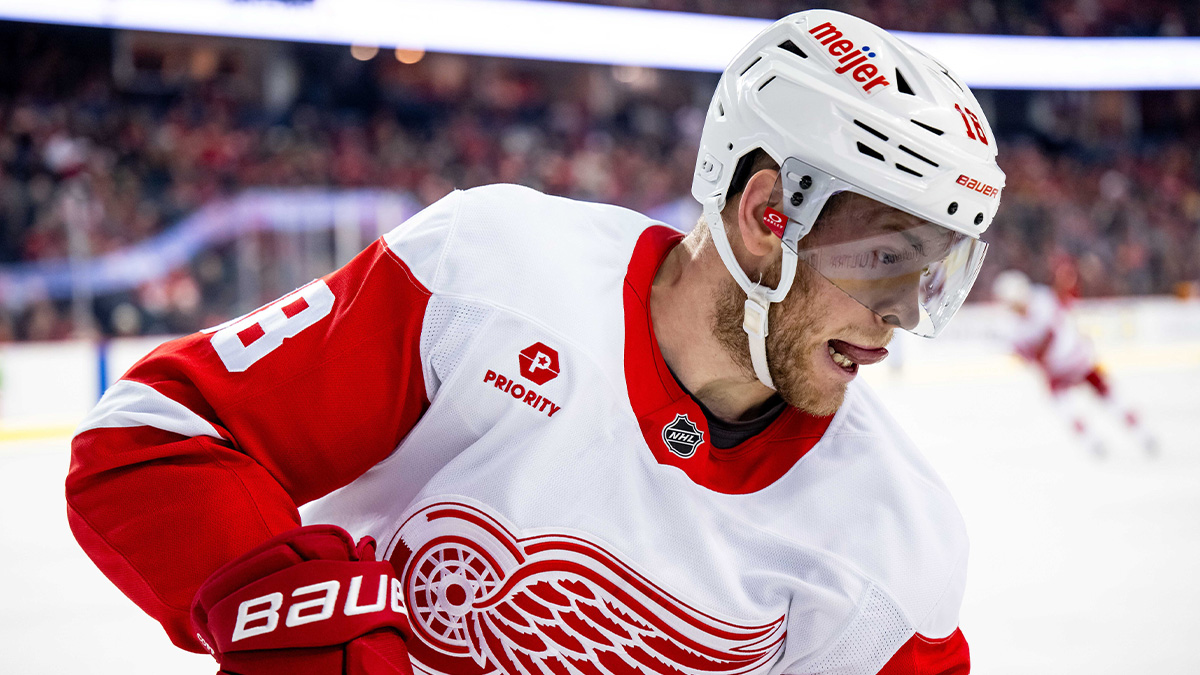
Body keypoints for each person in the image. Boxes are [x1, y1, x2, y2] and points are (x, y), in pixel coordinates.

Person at [67, 10, 1004, 675]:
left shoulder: (894, 544)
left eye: (933, 272)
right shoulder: (491, 274)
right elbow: (153, 433)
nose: (903, 315)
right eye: (884, 259)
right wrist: (299, 622)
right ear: (768, 213)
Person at [992, 269, 1157, 457]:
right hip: (1061, 368)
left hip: (1078, 360)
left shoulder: (1042, 301)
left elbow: (1047, 337)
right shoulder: (1012, 322)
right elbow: (1025, 354)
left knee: (1109, 396)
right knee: (1064, 407)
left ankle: (1142, 433)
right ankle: (1093, 441)